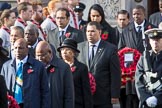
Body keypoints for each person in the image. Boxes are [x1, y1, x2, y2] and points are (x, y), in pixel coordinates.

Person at [77, 21, 121, 108]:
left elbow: (115, 74)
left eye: (92, 31)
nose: (90, 34)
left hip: (103, 95)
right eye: (88, 31)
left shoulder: (110, 49)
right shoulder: (79, 47)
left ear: (99, 32)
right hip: (84, 95)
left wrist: (115, 94)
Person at [1, 38, 50, 108]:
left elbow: (45, 91)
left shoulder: (38, 66)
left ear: (27, 49)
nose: (17, 51)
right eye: (15, 48)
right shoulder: (6, 66)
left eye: (20, 48)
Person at [35, 41, 74, 108]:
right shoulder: (34, 67)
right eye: (37, 56)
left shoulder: (63, 68)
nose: (40, 59)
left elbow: (69, 95)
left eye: (42, 55)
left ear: (50, 52)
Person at [57, 38, 93, 108]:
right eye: (62, 50)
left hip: (77, 103)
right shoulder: (57, 67)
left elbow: (86, 91)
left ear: (73, 52)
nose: (64, 52)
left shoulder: (81, 68)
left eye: (67, 49)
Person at [135, 28, 162, 108]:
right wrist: (145, 98)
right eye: (153, 40)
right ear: (149, 41)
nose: (155, 42)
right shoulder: (144, 58)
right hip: (146, 102)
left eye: (158, 39)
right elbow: (138, 81)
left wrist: (157, 98)